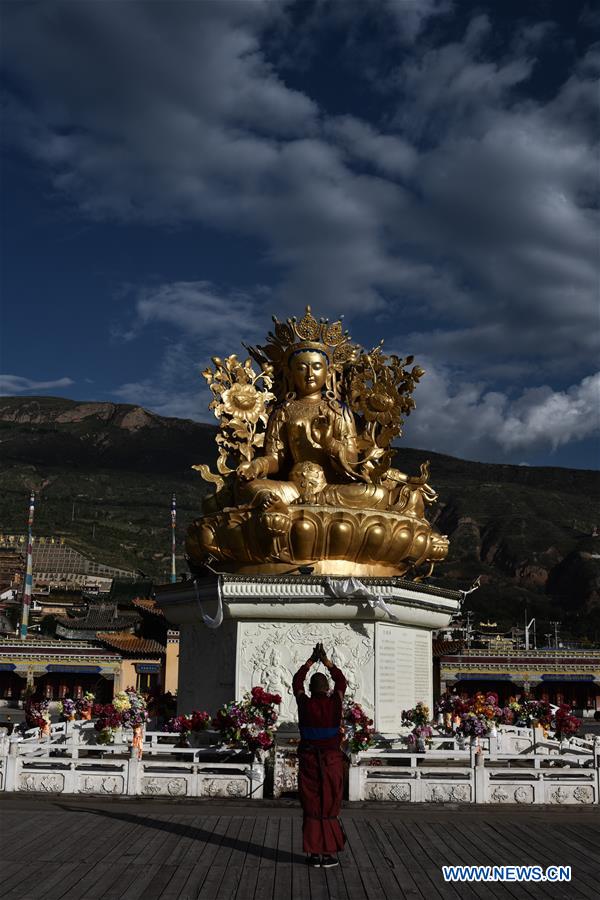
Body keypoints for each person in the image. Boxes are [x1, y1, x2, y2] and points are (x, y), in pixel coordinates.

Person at [293, 642, 347, 868]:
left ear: (311, 689)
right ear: (327, 689)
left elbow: (296, 681)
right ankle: (328, 853)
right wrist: (326, 662)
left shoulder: (304, 704)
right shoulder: (336, 703)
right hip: (331, 761)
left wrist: (309, 662)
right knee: (330, 806)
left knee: (312, 805)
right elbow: (342, 681)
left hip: (309, 762)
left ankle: (314, 853)